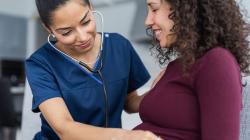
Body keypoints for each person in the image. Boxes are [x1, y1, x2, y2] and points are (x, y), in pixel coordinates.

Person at [25, 0, 161, 139]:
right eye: (66, 32)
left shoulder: (120, 46)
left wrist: (161, 92)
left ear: (90, 7)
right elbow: (64, 128)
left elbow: (130, 103)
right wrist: (125, 136)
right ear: (49, 28)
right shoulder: (40, 63)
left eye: (86, 22)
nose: (83, 37)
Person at [134, 0, 250, 140]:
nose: (147, 21)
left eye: (154, 9)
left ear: (183, 9)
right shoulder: (177, 66)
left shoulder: (217, 62)